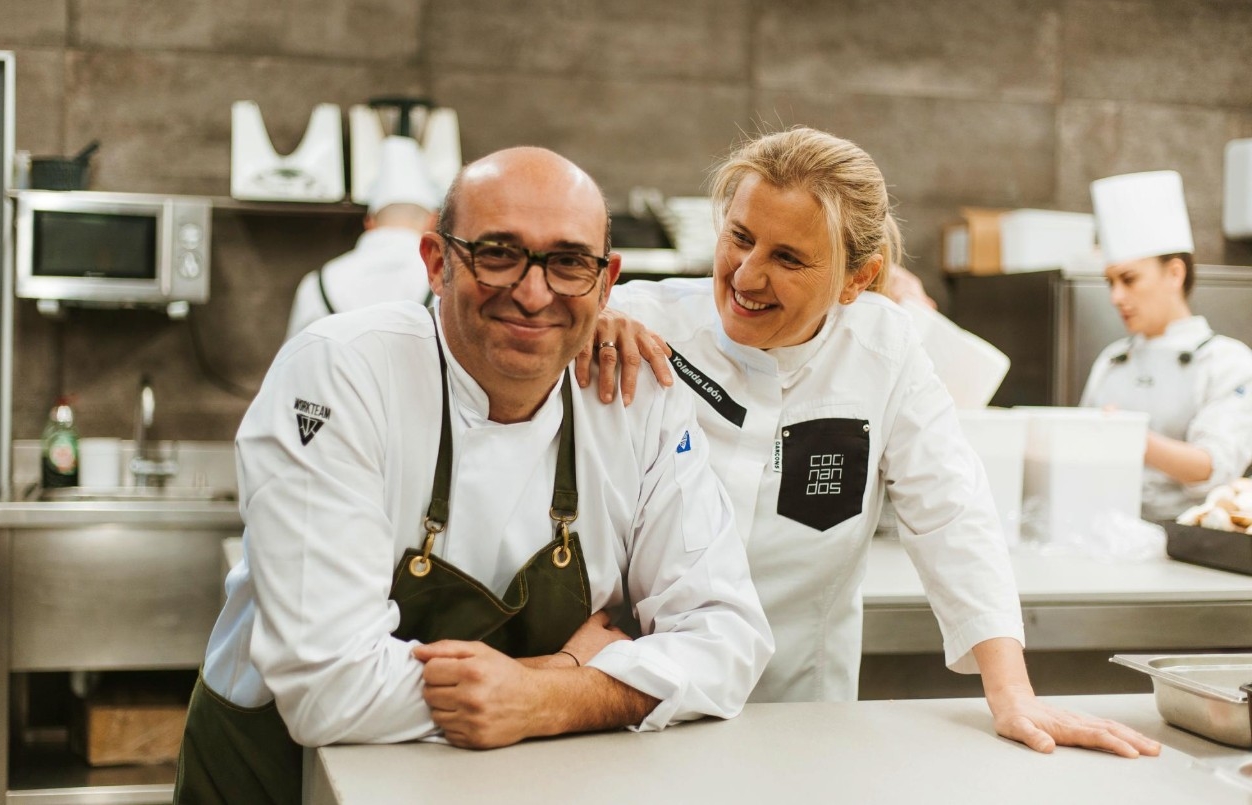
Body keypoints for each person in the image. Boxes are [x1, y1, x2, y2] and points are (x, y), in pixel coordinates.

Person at [176, 147, 773, 804]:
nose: (533, 291)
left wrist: (543, 698)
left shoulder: (637, 398)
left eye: (569, 262)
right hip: (279, 781)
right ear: (437, 262)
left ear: (606, 283)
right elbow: (328, 690)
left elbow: (729, 638)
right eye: (498, 253)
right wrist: (563, 675)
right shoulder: (341, 374)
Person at [583, 127, 1160, 758]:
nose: (746, 275)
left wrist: (1012, 693)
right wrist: (578, 321)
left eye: (788, 258)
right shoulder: (639, 323)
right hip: (630, 695)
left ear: (858, 279)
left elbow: (951, 512)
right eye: (740, 237)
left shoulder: (885, 351)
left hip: (800, 709)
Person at [1081, 170, 1252, 522]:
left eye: (1129, 279)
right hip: (1105, 537)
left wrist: (1133, 438)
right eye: (1110, 282)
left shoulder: (1227, 362)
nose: (1116, 297)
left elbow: (1212, 467)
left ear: (1174, 273)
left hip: (1189, 549)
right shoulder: (1112, 361)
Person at [284, 135, 441, 340]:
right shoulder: (446, 281)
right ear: (433, 221)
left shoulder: (317, 283)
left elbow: (292, 364)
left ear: (369, 222)